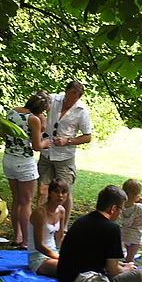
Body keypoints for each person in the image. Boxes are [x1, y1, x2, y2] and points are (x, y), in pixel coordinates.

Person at [57, 185, 142, 282]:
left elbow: (93, 257)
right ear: (113, 209)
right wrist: (127, 269)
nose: (120, 214)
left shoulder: (81, 220)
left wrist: (122, 264)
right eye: (121, 209)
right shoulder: (112, 228)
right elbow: (113, 270)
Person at [38, 81, 92, 233]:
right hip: (46, 153)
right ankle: (40, 223)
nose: (69, 101)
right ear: (65, 92)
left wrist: (67, 141)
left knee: (65, 193)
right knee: (43, 190)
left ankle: (63, 226)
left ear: (79, 98)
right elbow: (36, 106)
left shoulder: (82, 111)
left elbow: (87, 137)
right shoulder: (53, 99)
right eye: (68, 97)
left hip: (65, 157)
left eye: (73, 99)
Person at [2, 91, 52, 248]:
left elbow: (2, 133)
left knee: (16, 199)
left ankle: (17, 236)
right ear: (41, 109)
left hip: (8, 159)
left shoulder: (13, 111)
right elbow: (37, 146)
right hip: (24, 163)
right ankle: (26, 241)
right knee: (26, 203)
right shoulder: (33, 119)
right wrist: (46, 143)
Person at [27, 178, 69, 277]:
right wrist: (59, 258)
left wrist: (68, 253)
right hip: (38, 257)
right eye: (56, 192)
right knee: (67, 268)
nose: (60, 195)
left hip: (53, 253)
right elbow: (39, 246)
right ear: (50, 193)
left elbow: (60, 238)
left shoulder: (61, 211)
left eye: (63, 192)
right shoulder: (40, 213)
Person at [121, 179, 142, 263]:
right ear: (136, 194)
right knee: (130, 258)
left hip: (125, 234)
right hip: (135, 236)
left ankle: (129, 259)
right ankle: (129, 269)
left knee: (129, 253)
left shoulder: (122, 205)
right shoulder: (139, 207)